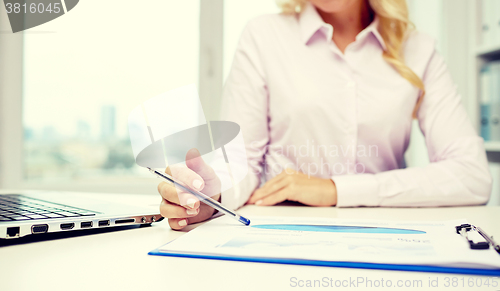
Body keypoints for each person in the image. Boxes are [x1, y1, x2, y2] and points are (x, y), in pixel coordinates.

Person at [157, 0, 492, 230]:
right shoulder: (264, 35)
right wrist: (211, 196)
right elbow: (242, 161)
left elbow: (472, 176)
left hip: (384, 235)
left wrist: (335, 190)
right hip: (278, 232)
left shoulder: (419, 49)